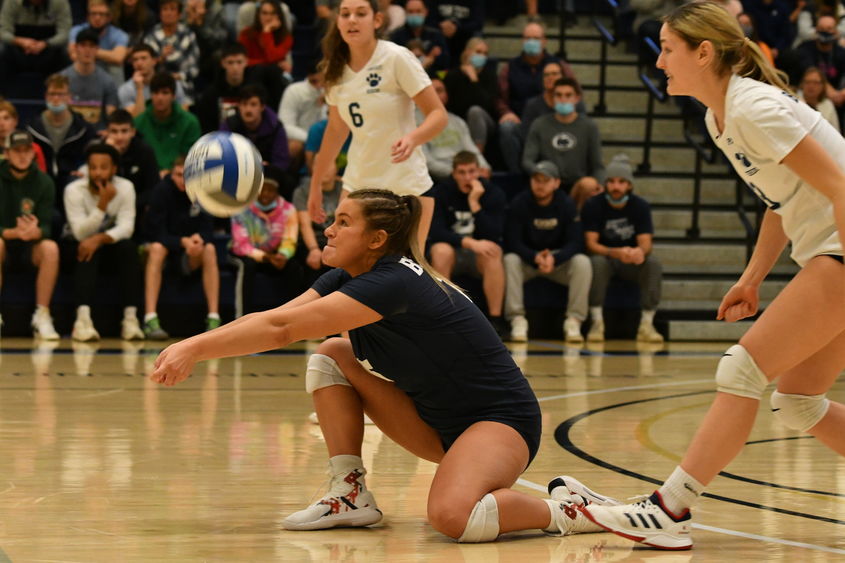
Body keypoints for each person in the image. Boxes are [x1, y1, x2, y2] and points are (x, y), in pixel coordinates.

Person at [149, 188, 613, 541]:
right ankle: (349, 492)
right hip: (436, 426)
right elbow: (276, 319)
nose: (329, 229)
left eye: (343, 222)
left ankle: (577, 510)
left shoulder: (392, 282)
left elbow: (280, 331)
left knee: (452, 517)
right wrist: (198, 341)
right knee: (332, 354)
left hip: (500, 424)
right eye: (333, 220)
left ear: (377, 239)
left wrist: (193, 348)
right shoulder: (349, 277)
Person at [580, 2, 844, 550]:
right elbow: (781, 199)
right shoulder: (720, 117)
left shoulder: (753, 108)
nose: (659, 63)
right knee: (798, 401)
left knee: (741, 371)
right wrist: (752, 278)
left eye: (668, 49)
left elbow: (842, 188)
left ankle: (670, 508)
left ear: (704, 52)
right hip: (827, 247)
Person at [307, 0, 447, 250]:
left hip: (405, 185)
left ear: (377, 20)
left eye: (361, 14)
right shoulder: (334, 70)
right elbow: (336, 130)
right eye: (345, 14)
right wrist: (315, 185)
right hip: (358, 185)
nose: (352, 20)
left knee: (403, 278)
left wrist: (413, 138)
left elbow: (438, 115)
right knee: (348, 272)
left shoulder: (396, 57)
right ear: (337, 22)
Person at [63, 143, 143, 342]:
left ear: (114, 169)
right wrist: (102, 206)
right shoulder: (74, 190)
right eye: (93, 167)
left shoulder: (125, 187)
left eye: (103, 167)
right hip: (75, 246)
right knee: (86, 250)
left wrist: (98, 238)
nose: (97, 172)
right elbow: (80, 232)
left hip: (109, 246)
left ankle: (130, 319)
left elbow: (127, 227)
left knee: (129, 248)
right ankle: (82, 321)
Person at [504, 161, 591, 343]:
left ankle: (574, 321)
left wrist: (555, 258)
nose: (540, 185)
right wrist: (534, 257)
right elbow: (512, 242)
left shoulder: (566, 204)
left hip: (557, 263)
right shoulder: (520, 202)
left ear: (556, 183)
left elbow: (576, 242)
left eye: (545, 180)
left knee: (582, 262)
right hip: (528, 261)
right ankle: (517, 319)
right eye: (536, 180)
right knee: (510, 260)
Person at [580, 154, 663, 343]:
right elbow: (590, 243)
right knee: (596, 263)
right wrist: (614, 252)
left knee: (653, 264)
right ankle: (597, 323)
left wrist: (638, 253)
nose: (616, 186)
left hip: (630, 261)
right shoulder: (593, 204)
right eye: (611, 181)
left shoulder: (640, 206)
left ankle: (647, 324)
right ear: (606, 183)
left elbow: (646, 242)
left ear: (629, 185)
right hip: (606, 257)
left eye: (621, 182)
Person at [429, 151, 507, 337]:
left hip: (478, 257)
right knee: (440, 250)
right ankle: (441, 318)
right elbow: (436, 232)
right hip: (453, 253)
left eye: (471, 172)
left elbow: (494, 234)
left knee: (493, 251)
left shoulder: (493, 193)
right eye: (462, 173)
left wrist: (474, 203)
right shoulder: (441, 192)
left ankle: (495, 321)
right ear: (454, 174)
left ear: (479, 171)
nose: (467, 177)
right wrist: (469, 242)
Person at [143, 156, 220, 340]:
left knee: (209, 249)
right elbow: (156, 233)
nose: (184, 181)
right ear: (171, 174)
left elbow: (209, 229)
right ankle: (150, 318)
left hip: (191, 253)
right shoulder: (161, 191)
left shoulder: (203, 192)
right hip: (167, 251)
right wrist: (182, 241)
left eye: (188, 176)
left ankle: (214, 318)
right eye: (179, 175)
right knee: (156, 249)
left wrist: (198, 240)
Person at [0, 130, 59, 339]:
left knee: (50, 247)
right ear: (7, 153)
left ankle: (42, 315)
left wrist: (36, 231)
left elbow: (47, 227)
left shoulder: (44, 182)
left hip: (30, 247)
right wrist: (11, 232)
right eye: (17, 151)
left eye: (27, 151)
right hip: (4, 244)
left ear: (34, 154)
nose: (23, 155)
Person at [496, 22, 573, 174]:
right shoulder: (510, 67)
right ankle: (517, 175)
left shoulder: (558, 65)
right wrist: (506, 112)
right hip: (521, 121)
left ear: (544, 41)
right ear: (522, 41)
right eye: (528, 38)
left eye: (536, 38)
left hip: (553, 120)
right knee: (507, 128)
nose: (532, 42)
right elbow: (499, 97)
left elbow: (574, 92)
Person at [229, 176, 302, 316]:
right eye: (262, 189)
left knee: (294, 267)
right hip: (244, 254)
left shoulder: (288, 209)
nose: (265, 194)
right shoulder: (241, 208)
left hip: (275, 254)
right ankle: (241, 318)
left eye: (271, 190)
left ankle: (293, 317)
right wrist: (266, 257)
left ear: (277, 192)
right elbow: (241, 244)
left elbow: (290, 239)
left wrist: (283, 255)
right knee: (247, 266)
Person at [522, 77, 605, 193]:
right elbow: (527, 161)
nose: (563, 99)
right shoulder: (539, 124)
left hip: (578, 185)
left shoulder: (590, 127)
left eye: (568, 95)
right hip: (548, 183)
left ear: (577, 98)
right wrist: (542, 174)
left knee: (589, 184)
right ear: (553, 98)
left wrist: (599, 184)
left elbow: (598, 166)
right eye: (558, 95)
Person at [27, 74, 97, 193]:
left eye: (61, 94)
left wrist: (83, 169)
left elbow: (92, 154)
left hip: (72, 180)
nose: (56, 98)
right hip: (40, 180)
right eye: (52, 94)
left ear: (69, 97)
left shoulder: (83, 128)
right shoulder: (32, 127)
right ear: (46, 96)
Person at [220, 84, 290, 190]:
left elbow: (282, 162)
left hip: (267, 173)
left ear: (262, 107)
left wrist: (267, 167)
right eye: (244, 104)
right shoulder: (229, 125)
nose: (248, 109)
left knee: (288, 182)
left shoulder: (275, 127)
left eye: (253, 105)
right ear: (238, 106)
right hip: (237, 172)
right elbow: (222, 155)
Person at [104, 109, 160, 240]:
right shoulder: (101, 152)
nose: (119, 137)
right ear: (107, 133)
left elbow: (153, 189)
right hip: (106, 207)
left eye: (124, 131)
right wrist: (112, 156)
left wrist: (127, 204)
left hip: (136, 208)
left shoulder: (145, 152)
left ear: (133, 132)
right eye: (114, 131)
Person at [422, 76, 491, 182]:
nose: (435, 95)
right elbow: (427, 161)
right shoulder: (414, 122)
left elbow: (471, 148)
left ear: (446, 96)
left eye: (440, 91)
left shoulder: (457, 121)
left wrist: (484, 167)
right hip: (440, 178)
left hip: (465, 171)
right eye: (431, 91)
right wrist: (457, 173)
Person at [133, 72, 201, 175]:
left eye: (165, 93)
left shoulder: (190, 122)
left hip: (180, 176)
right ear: (151, 95)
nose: (160, 98)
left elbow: (191, 157)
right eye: (156, 93)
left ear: (173, 96)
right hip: (147, 177)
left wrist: (169, 173)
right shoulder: (139, 122)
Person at [442, 37, 500, 154]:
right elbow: (450, 105)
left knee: (475, 111)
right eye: (478, 52)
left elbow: (487, 105)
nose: (482, 56)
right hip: (457, 122)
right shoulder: (453, 75)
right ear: (468, 52)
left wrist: (474, 79)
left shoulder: (490, 75)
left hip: (485, 123)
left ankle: (477, 155)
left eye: (485, 53)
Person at [0, 0, 72, 93]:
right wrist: (19, 41)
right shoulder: (12, 2)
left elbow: (64, 34)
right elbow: (3, 32)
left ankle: (60, 97)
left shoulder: (60, 3)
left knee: (64, 55)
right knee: (2, 53)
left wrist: (46, 44)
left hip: (48, 51)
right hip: (18, 50)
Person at [195, 43, 263, 134]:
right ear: (223, 63)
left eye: (239, 62)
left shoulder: (256, 91)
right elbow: (207, 128)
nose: (235, 68)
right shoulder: (211, 94)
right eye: (230, 62)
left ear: (246, 62)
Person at [292, 161, 341, 284]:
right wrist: (313, 249)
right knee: (314, 260)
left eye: (328, 163)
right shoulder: (303, 191)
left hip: (338, 239)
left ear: (336, 168)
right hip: (314, 240)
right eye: (318, 164)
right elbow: (305, 225)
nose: (324, 168)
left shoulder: (344, 189)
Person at [60, 28, 119, 129]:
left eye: (92, 46)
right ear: (75, 48)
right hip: (69, 135)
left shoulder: (107, 81)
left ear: (97, 49)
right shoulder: (62, 79)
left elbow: (111, 117)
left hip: (97, 136)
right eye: (83, 45)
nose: (87, 50)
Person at [143, 0, 200, 104]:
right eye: (165, 9)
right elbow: (145, 66)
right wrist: (160, 58)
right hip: (156, 84)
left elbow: (194, 69)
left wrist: (179, 76)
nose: (168, 13)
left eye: (172, 9)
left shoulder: (188, 35)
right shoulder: (151, 36)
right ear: (160, 14)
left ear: (179, 14)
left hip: (183, 84)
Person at [118, 45, 189, 118]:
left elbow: (184, 114)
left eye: (143, 58)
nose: (139, 63)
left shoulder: (171, 83)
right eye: (135, 60)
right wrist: (139, 89)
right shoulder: (126, 89)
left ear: (154, 61)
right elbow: (135, 120)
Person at [68, 0, 129, 86]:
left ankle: (115, 97)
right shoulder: (77, 31)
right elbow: (73, 55)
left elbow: (118, 58)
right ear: (88, 16)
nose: (97, 18)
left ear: (109, 18)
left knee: (115, 67)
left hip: (107, 70)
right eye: (93, 14)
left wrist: (86, 51)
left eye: (101, 14)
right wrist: (105, 55)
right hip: (85, 68)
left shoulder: (119, 34)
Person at [277, 60, 326, 165]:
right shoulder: (294, 91)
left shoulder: (334, 90)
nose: (318, 86)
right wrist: (312, 138)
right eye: (314, 82)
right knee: (294, 146)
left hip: (329, 139)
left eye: (322, 82)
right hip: (303, 139)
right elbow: (285, 126)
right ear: (308, 77)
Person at [389, 0, 450, 73]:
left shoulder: (435, 35)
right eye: (410, 12)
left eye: (418, 11)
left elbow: (445, 62)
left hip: (431, 76)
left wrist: (431, 59)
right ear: (405, 12)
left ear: (426, 12)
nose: (414, 15)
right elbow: (392, 62)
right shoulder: (397, 35)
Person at [238, 0, 293, 71]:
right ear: (258, 15)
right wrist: (271, 64)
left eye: (273, 13)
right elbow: (242, 61)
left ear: (279, 16)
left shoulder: (286, 37)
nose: (268, 17)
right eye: (264, 13)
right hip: (252, 72)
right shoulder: (246, 33)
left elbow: (272, 57)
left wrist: (266, 32)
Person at [0, 100, 47, 172]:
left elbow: (41, 176)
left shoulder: (34, 148)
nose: (1, 124)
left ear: (15, 120)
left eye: (6, 118)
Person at [798, 66, 840, 131]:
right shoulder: (796, 102)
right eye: (808, 82)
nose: (811, 86)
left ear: (823, 86)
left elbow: (836, 131)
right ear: (802, 84)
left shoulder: (827, 104)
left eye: (815, 82)